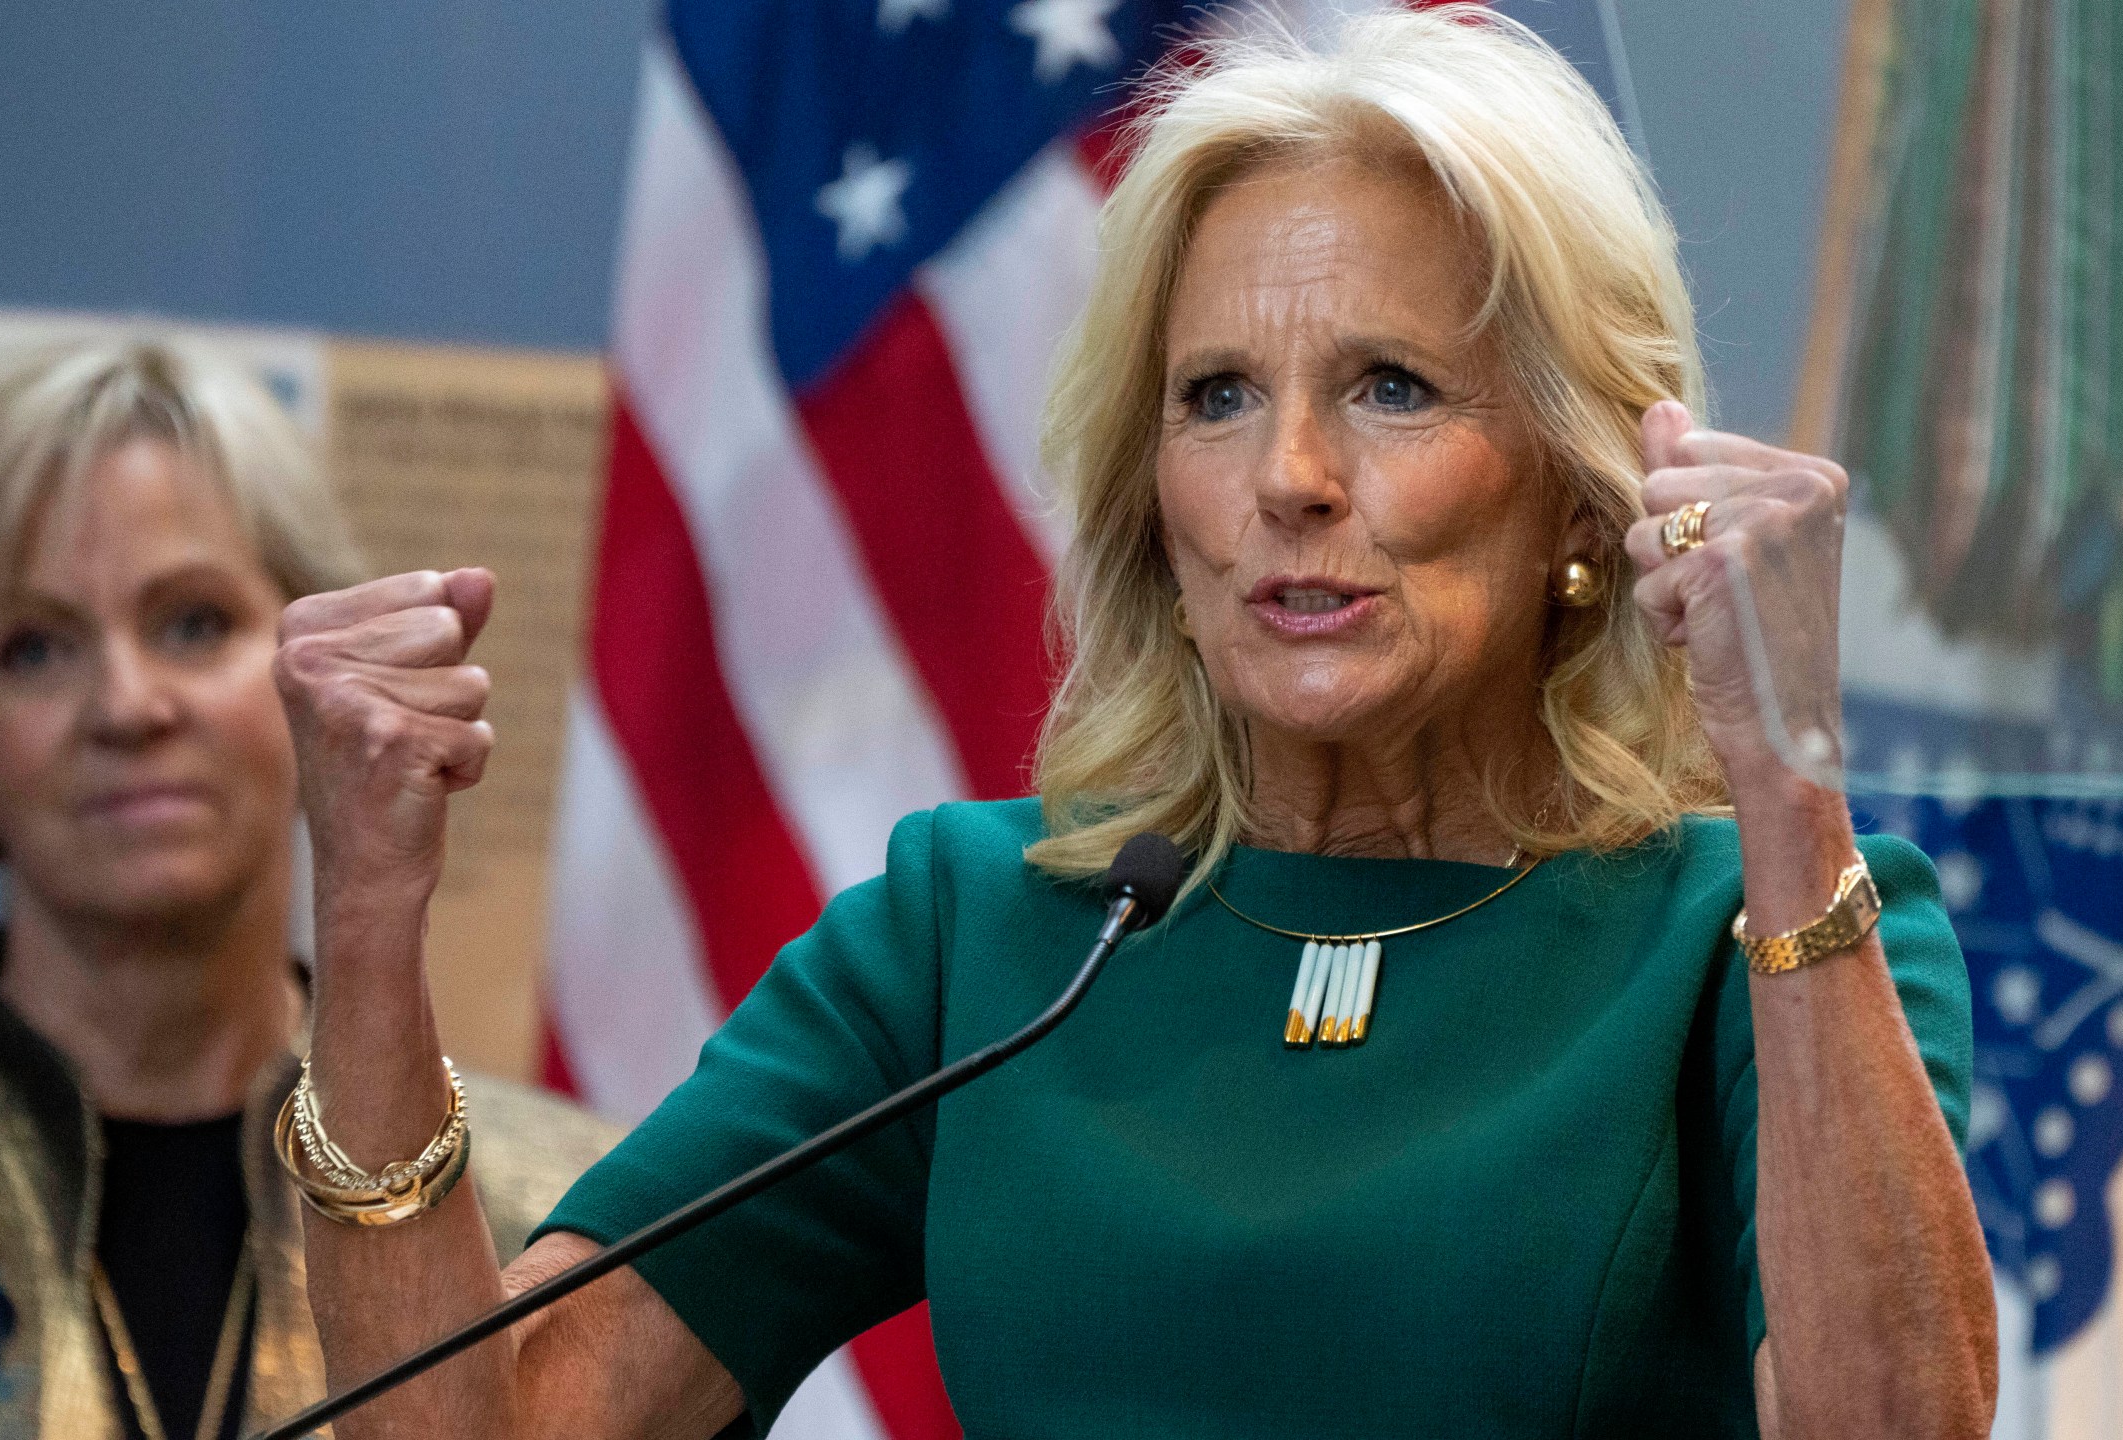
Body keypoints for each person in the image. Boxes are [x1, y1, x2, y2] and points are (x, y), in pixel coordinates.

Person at [275, 13, 1993, 1440]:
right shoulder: (981, 933)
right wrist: (363, 915)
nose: (1290, 480)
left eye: (1392, 388)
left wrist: (1786, 782)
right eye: (1218, 397)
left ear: (1576, 484)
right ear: (1147, 505)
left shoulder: (1759, 930)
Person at [0, 340, 619, 1440]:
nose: (128, 706)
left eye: (194, 623)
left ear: (320, 685)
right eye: (36, 649)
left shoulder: (566, 1218)